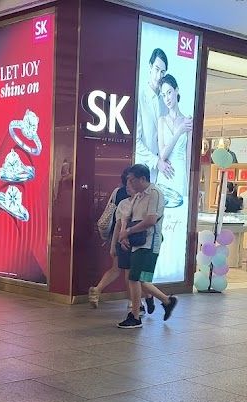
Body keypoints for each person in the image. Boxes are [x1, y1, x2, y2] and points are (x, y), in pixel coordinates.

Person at [116, 164, 178, 328]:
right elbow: (127, 216)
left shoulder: (155, 194)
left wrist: (128, 231)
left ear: (142, 178)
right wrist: (124, 234)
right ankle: (165, 301)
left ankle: (136, 316)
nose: (129, 183)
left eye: (131, 179)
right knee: (138, 279)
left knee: (136, 278)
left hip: (149, 242)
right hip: (137, 242)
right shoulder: (137, 196)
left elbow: (150, 220)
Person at [89, 168, 135, 307]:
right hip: (128, 236)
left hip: (115, 235)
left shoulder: (117, 192)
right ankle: (132, 301)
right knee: (129, 271)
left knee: (115, 269)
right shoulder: (136, 196)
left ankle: (97, 290)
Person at [154, 74, 192, 209]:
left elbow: (188, 158)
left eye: (169, 92)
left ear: (176, 90)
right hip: (165, 174)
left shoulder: (188, 121)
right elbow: (163, 154)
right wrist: (179, 131)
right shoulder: (162, 120)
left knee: (179, 215)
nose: (167, 98)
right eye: (163, 95)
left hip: (180, 173)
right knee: (161, 214)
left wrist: (189, 186)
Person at [135, 48, 173, 181]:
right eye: (157, 69)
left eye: (162, 72)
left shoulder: (165, 101)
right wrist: (156, 161)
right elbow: (136, 141)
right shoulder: (139, 97)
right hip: (143, 172)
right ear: (150, 67)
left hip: (164, 172)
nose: (159, 76)